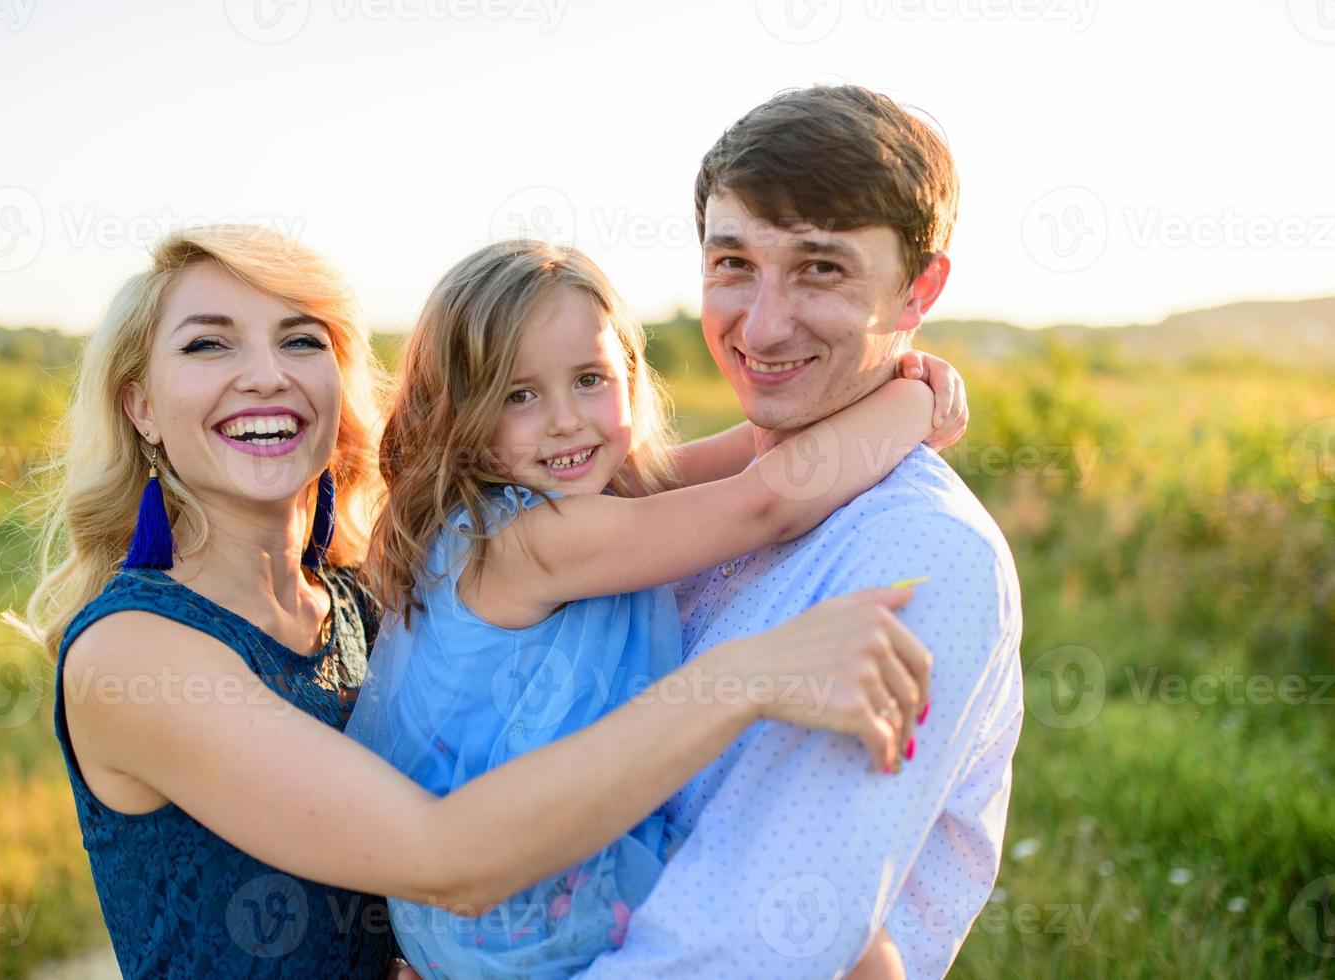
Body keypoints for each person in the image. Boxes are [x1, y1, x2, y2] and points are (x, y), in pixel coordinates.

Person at [6, 223, 952, 978]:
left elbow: (724, 471)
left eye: (301, 340)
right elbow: (447, 855)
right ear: (139, 404)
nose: (266, 372)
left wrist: (894, 379)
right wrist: (744, 677)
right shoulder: (136, 655)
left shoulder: (353, 598)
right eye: (209, 344)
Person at [348, 239, 967, 978]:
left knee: (856, 946)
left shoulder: (586, 490)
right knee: (851, 948)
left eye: (589, 379)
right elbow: (764, 503)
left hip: (535, 872)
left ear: (630, 375)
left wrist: (890, 373)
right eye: (519, 395)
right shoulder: (523, 538)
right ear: (457, 413)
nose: (565, 421)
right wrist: (919, 403)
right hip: (515, 906)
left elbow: (759, 449)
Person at [583, 84, 1026, 979]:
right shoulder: (688, 501)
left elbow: (744, 950)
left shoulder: (920, 557)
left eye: (821, 268)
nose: (764, 323)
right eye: (734, 263)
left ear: (919, 289)